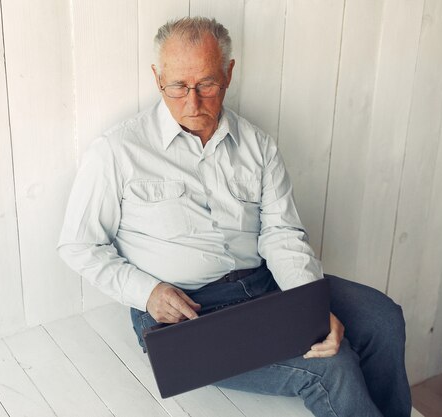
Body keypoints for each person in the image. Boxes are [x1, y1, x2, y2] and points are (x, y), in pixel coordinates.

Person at [58, 16, 411, 417]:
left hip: (263, 288)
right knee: (332, 367)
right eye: (177, 86)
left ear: (228, 73)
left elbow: (282, 235)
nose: (192, 103)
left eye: (206, 84)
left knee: (383, 317)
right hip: (187, 316)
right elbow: (79, 245)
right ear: (158, 78)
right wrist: (147, 292)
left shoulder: (257, 145)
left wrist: (308, 308)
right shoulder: (116, 151)